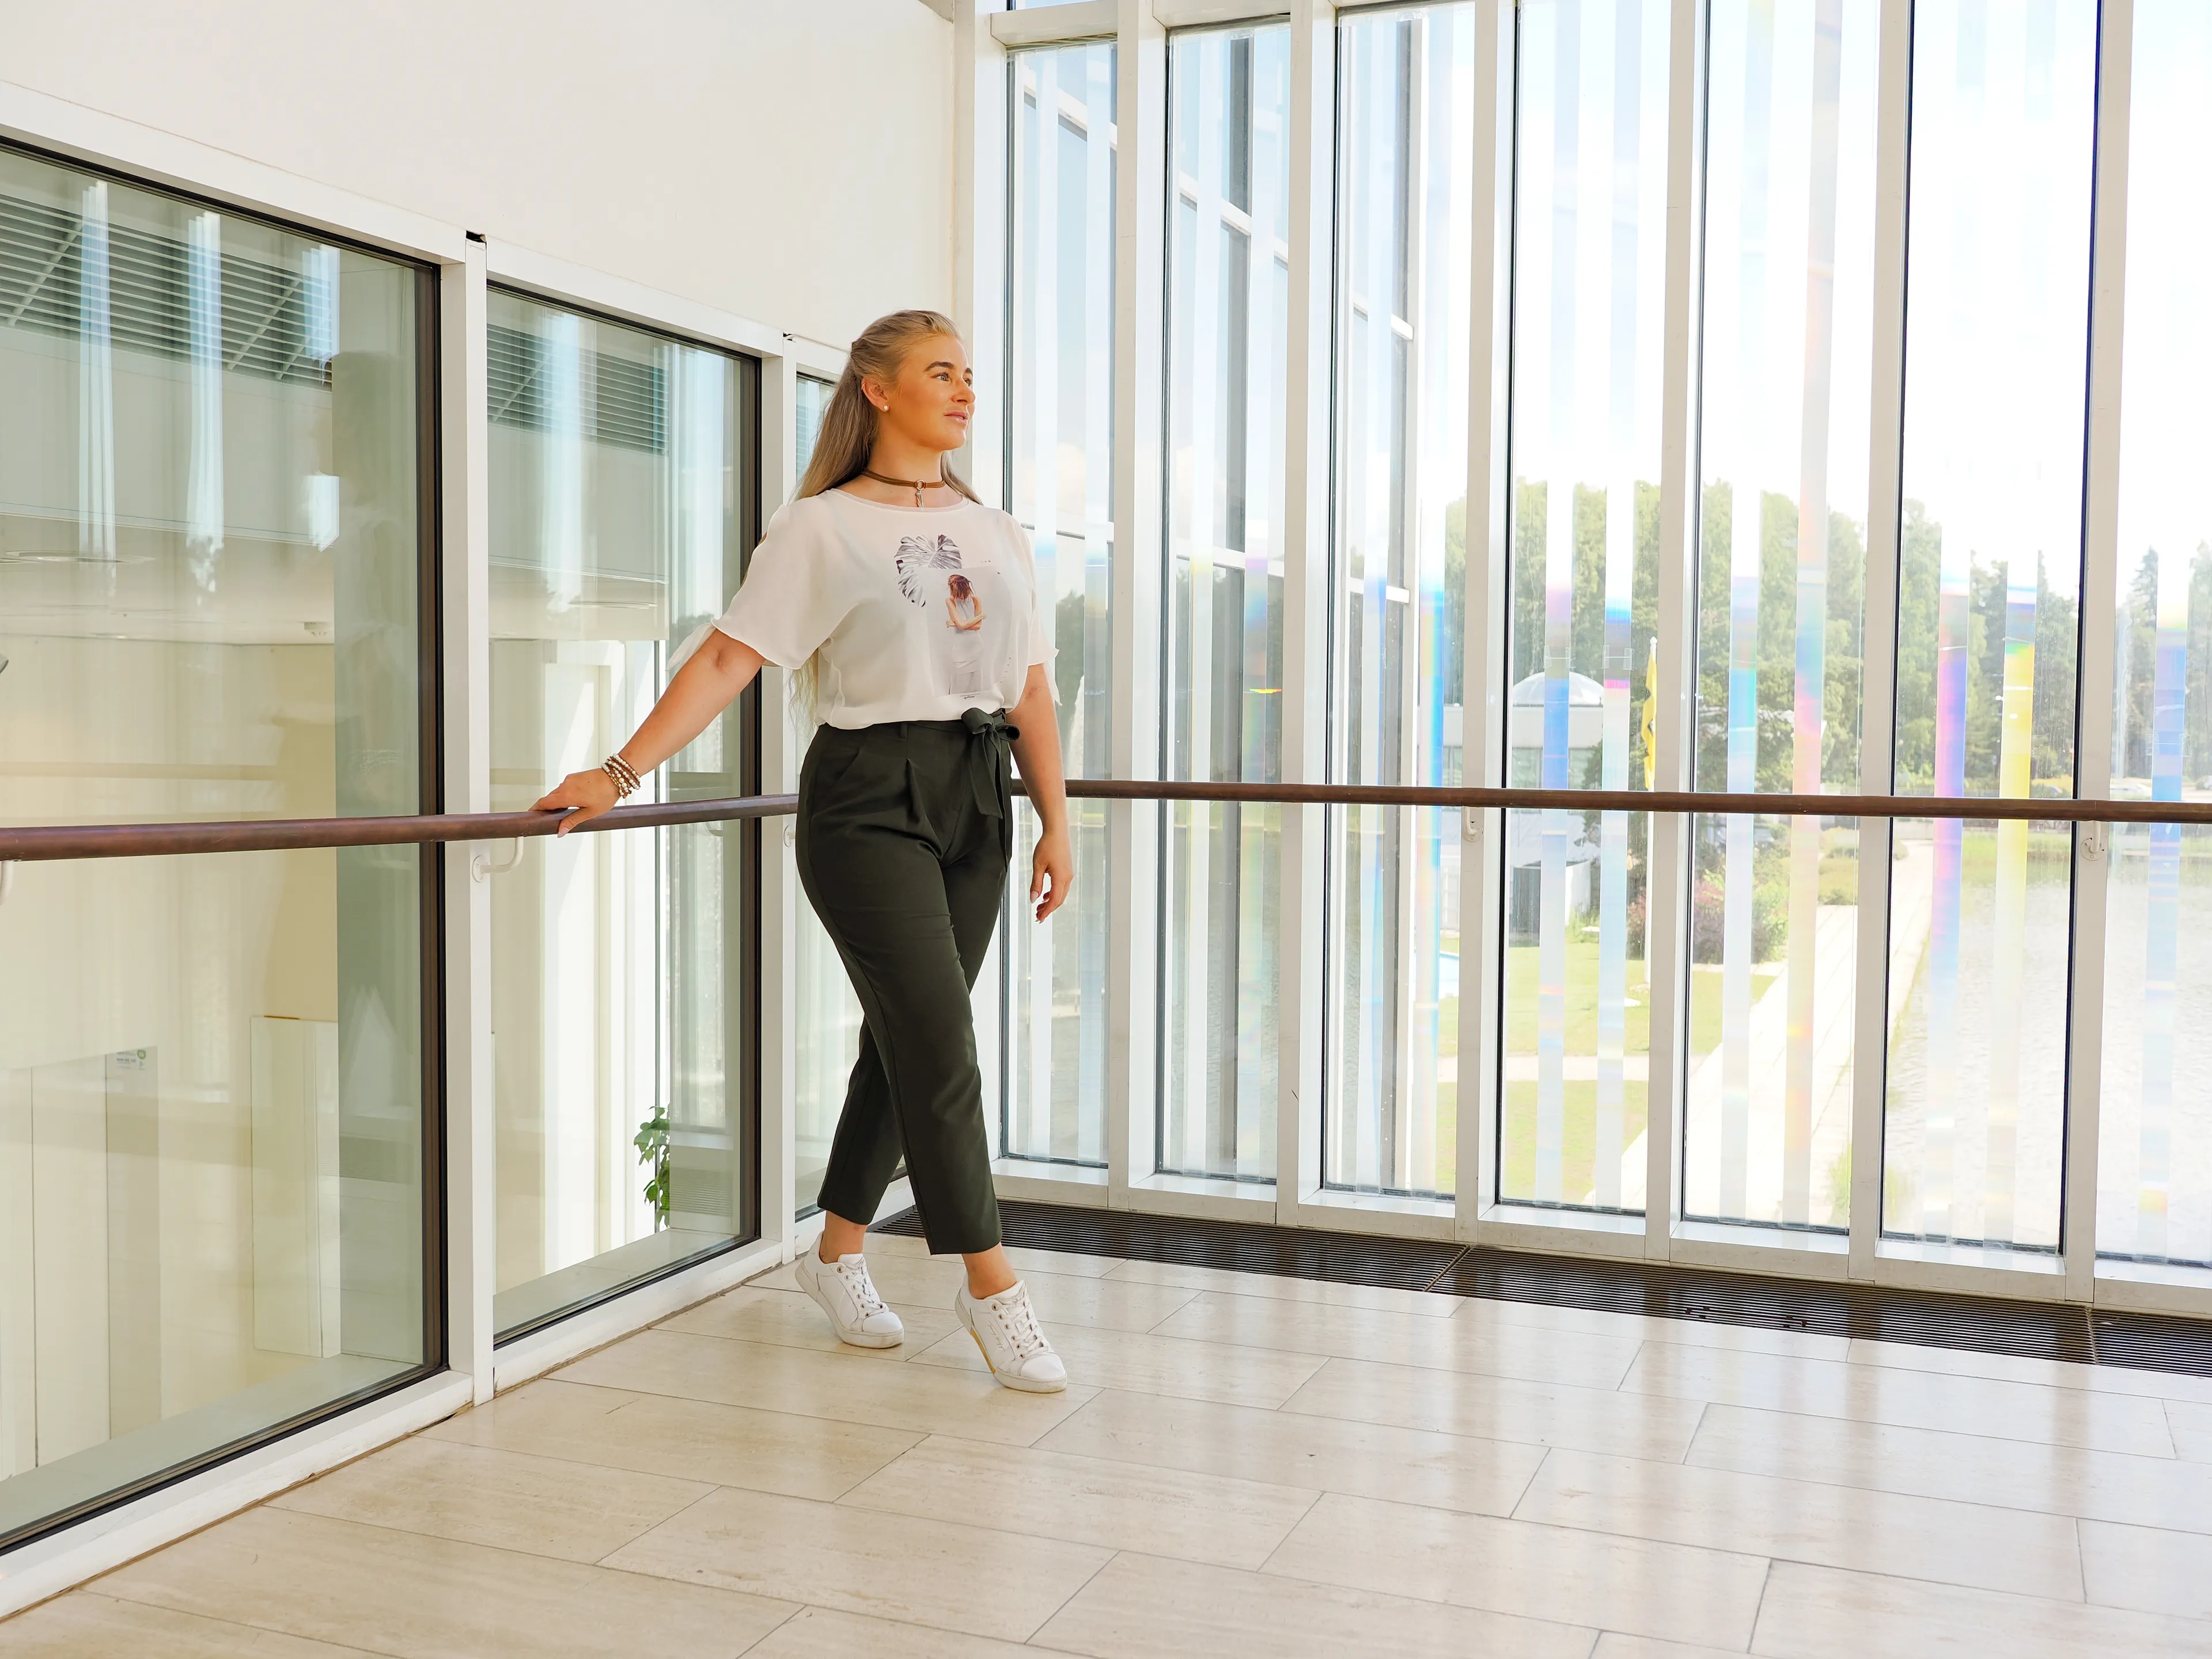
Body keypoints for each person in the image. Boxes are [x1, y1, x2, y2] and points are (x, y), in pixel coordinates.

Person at [533, 309, 1074, 1392]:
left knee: (906, 1042)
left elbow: (1029, 688)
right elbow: (732, 658)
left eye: (970, 373)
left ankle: (833, 1254)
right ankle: (992, 1288)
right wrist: (619, 771)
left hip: (978, 792)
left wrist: (1057, 820)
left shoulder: (1001, 531)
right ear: (877, 390)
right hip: (867, 796)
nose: (965, 391)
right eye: (940, 373)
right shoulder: (821, 528)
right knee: (941, 1045)